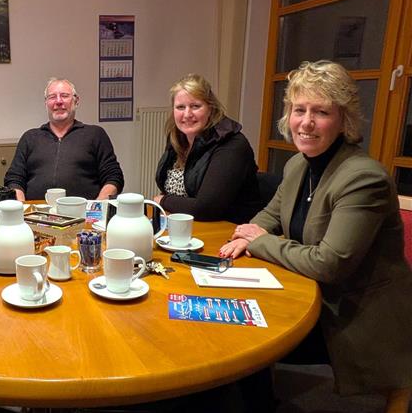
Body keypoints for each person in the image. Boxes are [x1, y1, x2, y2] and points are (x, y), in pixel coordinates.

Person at [219, 60, 412, 398]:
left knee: (242, 337)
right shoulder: (298, 164)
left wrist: (260, 242)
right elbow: (270, 215)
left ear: (343, 120)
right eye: (299, 110)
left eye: (320, 112)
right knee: (223, 314)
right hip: (311, 294)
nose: (306, 122)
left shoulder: (364, 178)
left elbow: (328, 263)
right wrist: (244, 234)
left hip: (351, 317)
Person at [153, 73, 261, 223]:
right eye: (180, 107)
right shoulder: (178, 138)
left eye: (195, 106)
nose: (187, 114)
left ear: (210, 108)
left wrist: (164, 201)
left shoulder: (232, 144)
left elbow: (206, 209)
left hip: (228, 230)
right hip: (185, 225)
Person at [4, 77, 124, 200]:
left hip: (84, 213)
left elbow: (113, 177)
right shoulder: (29, 138)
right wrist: (21, 209)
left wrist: (96, 207)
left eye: (64, 96)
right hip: (35, 214)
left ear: (76, 101)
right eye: (52, 97)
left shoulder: (95, 135)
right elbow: (14, 179)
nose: (58, 101)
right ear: (46, 103)